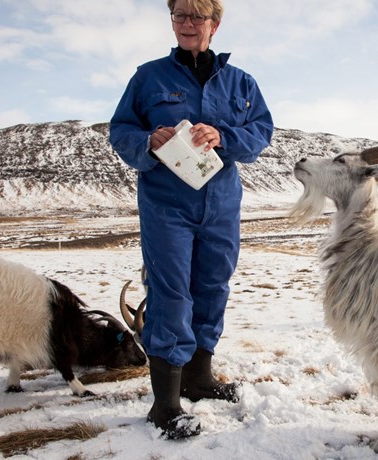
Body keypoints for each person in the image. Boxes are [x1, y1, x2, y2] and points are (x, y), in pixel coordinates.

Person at [109, 0, 274, 440]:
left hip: (221, 204)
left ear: (214, 24)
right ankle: (165, 404)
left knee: (212, 286)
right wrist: (149, 139)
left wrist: (225, 135)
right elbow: (121, 132)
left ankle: (200, 378)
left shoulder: (242, 83)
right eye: (179, 15)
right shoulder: (148, 78)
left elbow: (261, 132)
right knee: (171, 293)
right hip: (167, 206)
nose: (186, 24)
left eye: (196, 17)